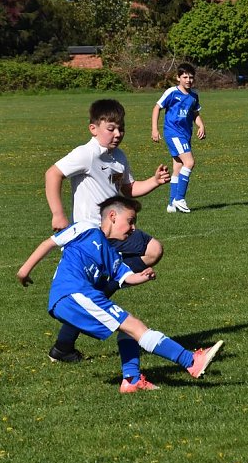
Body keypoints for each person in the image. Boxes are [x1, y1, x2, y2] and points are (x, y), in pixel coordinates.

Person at [18, 196, 224, 393]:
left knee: (128, 329)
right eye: (130, 221)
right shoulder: (85, 228)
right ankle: (190, 361)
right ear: (112, 216)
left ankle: (131, 380)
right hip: (73, 294)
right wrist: (24, 271)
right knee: (135, 326)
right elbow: (50, 243)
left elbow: (125, 277)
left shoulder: (110, 253)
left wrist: (143, 276)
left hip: (75, 298)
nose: (133, 228)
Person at [46, 98, 171, 363]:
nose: (117, 134)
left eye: (121, 129)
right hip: (90, 237)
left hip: (113, 233)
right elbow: (53, 173)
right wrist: (58, 213)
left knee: (151, 250)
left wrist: (154, 181)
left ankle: (64, 345)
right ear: (94, 128)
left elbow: (126, 190)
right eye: (111, 128)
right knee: (103, 283)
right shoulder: (86, 154)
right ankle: (65, 344)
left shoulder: (119, 157)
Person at [151, 62, 206, 213]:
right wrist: (154, 129)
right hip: (173, 133)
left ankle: (171, 205)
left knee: (178, 166)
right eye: (185, 77)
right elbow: (157, 107)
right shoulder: (172, 92)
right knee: (189, 162)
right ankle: (180, 198)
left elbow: (195, 113)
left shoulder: (194, 96)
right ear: (178, 78)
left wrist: (201, 125)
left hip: (185, 134)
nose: (188, 80)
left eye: (191, 77)